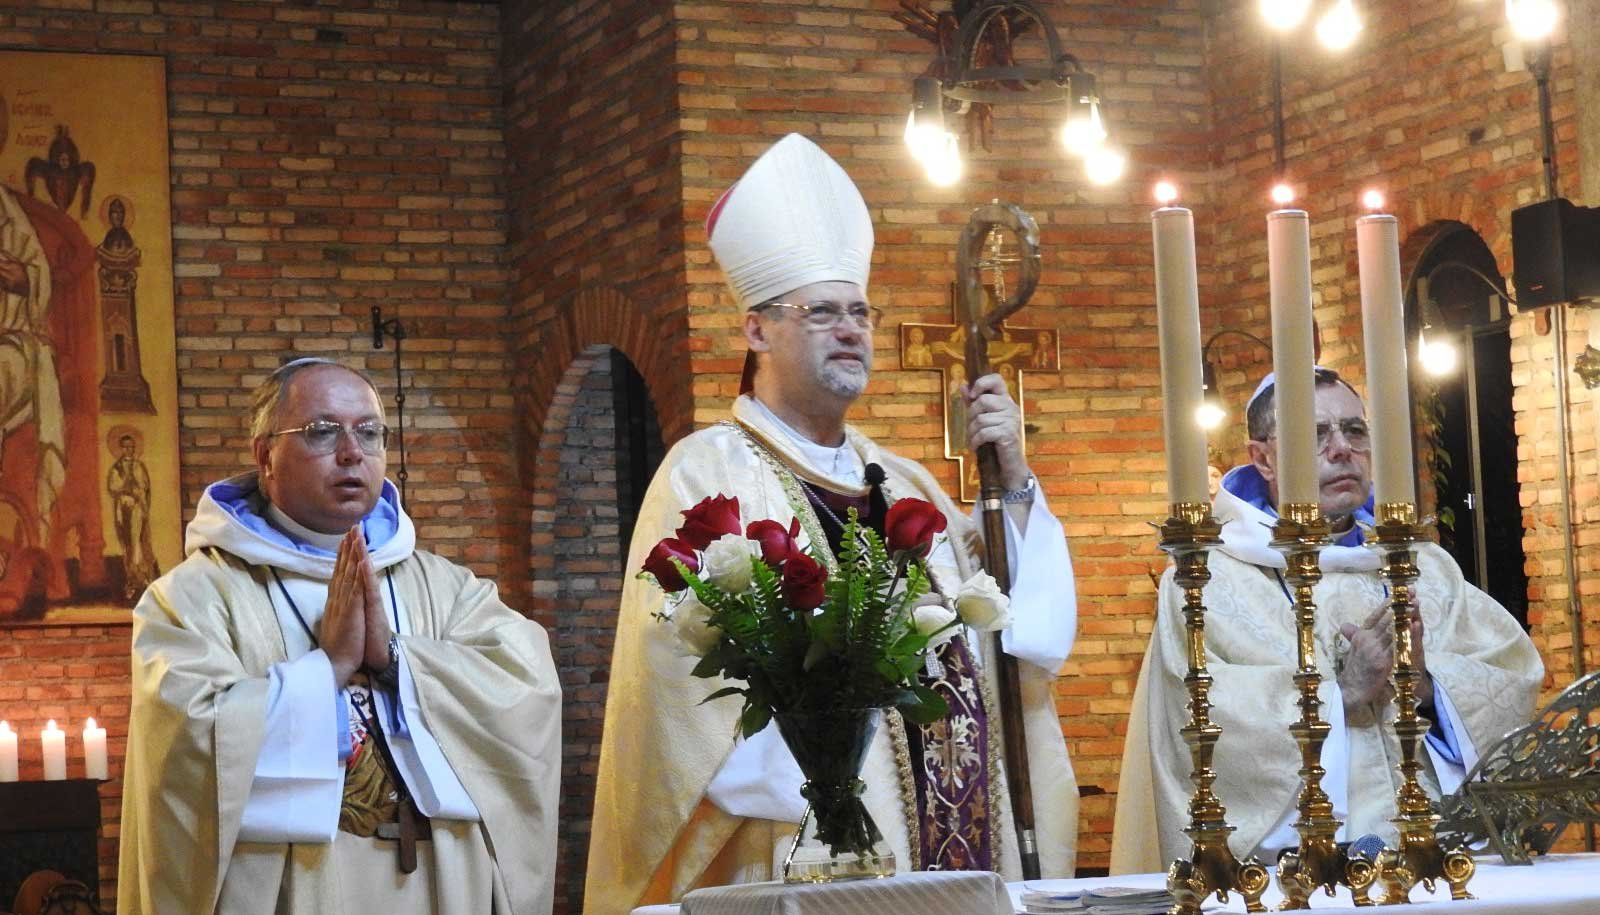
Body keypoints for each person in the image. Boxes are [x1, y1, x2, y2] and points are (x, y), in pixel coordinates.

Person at [584, 134, 1079, 914]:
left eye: (860, 312)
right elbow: (673, 682)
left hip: (959, 842)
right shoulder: (704, 472)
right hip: (797, 844)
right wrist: (829, 777)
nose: (851, 329)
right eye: (821, 312)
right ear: (756, 331)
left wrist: (1011, 475)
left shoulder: (903, 480)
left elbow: (1027, 635)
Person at [118, 358, 561, 914]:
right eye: (322, 432)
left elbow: (527, 687)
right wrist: (324, 670)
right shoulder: (195, 596)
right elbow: (183, 737)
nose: (352, 452)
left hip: (441, 882)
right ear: (265, 457)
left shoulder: (443, 587)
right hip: (298, 885)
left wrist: (398, 659)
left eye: (369, 432)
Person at [1110, 368, 1543, 872]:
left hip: (1440, 863)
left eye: (1355, 431)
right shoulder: (1207, 579)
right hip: (1291, 878)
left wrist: (1425, 685)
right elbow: (1199, 725)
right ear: (1263, 459)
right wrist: (1342, 694)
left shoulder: (1424, 567)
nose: (1342, 449)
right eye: (1315, 434)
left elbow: (1510, 682)